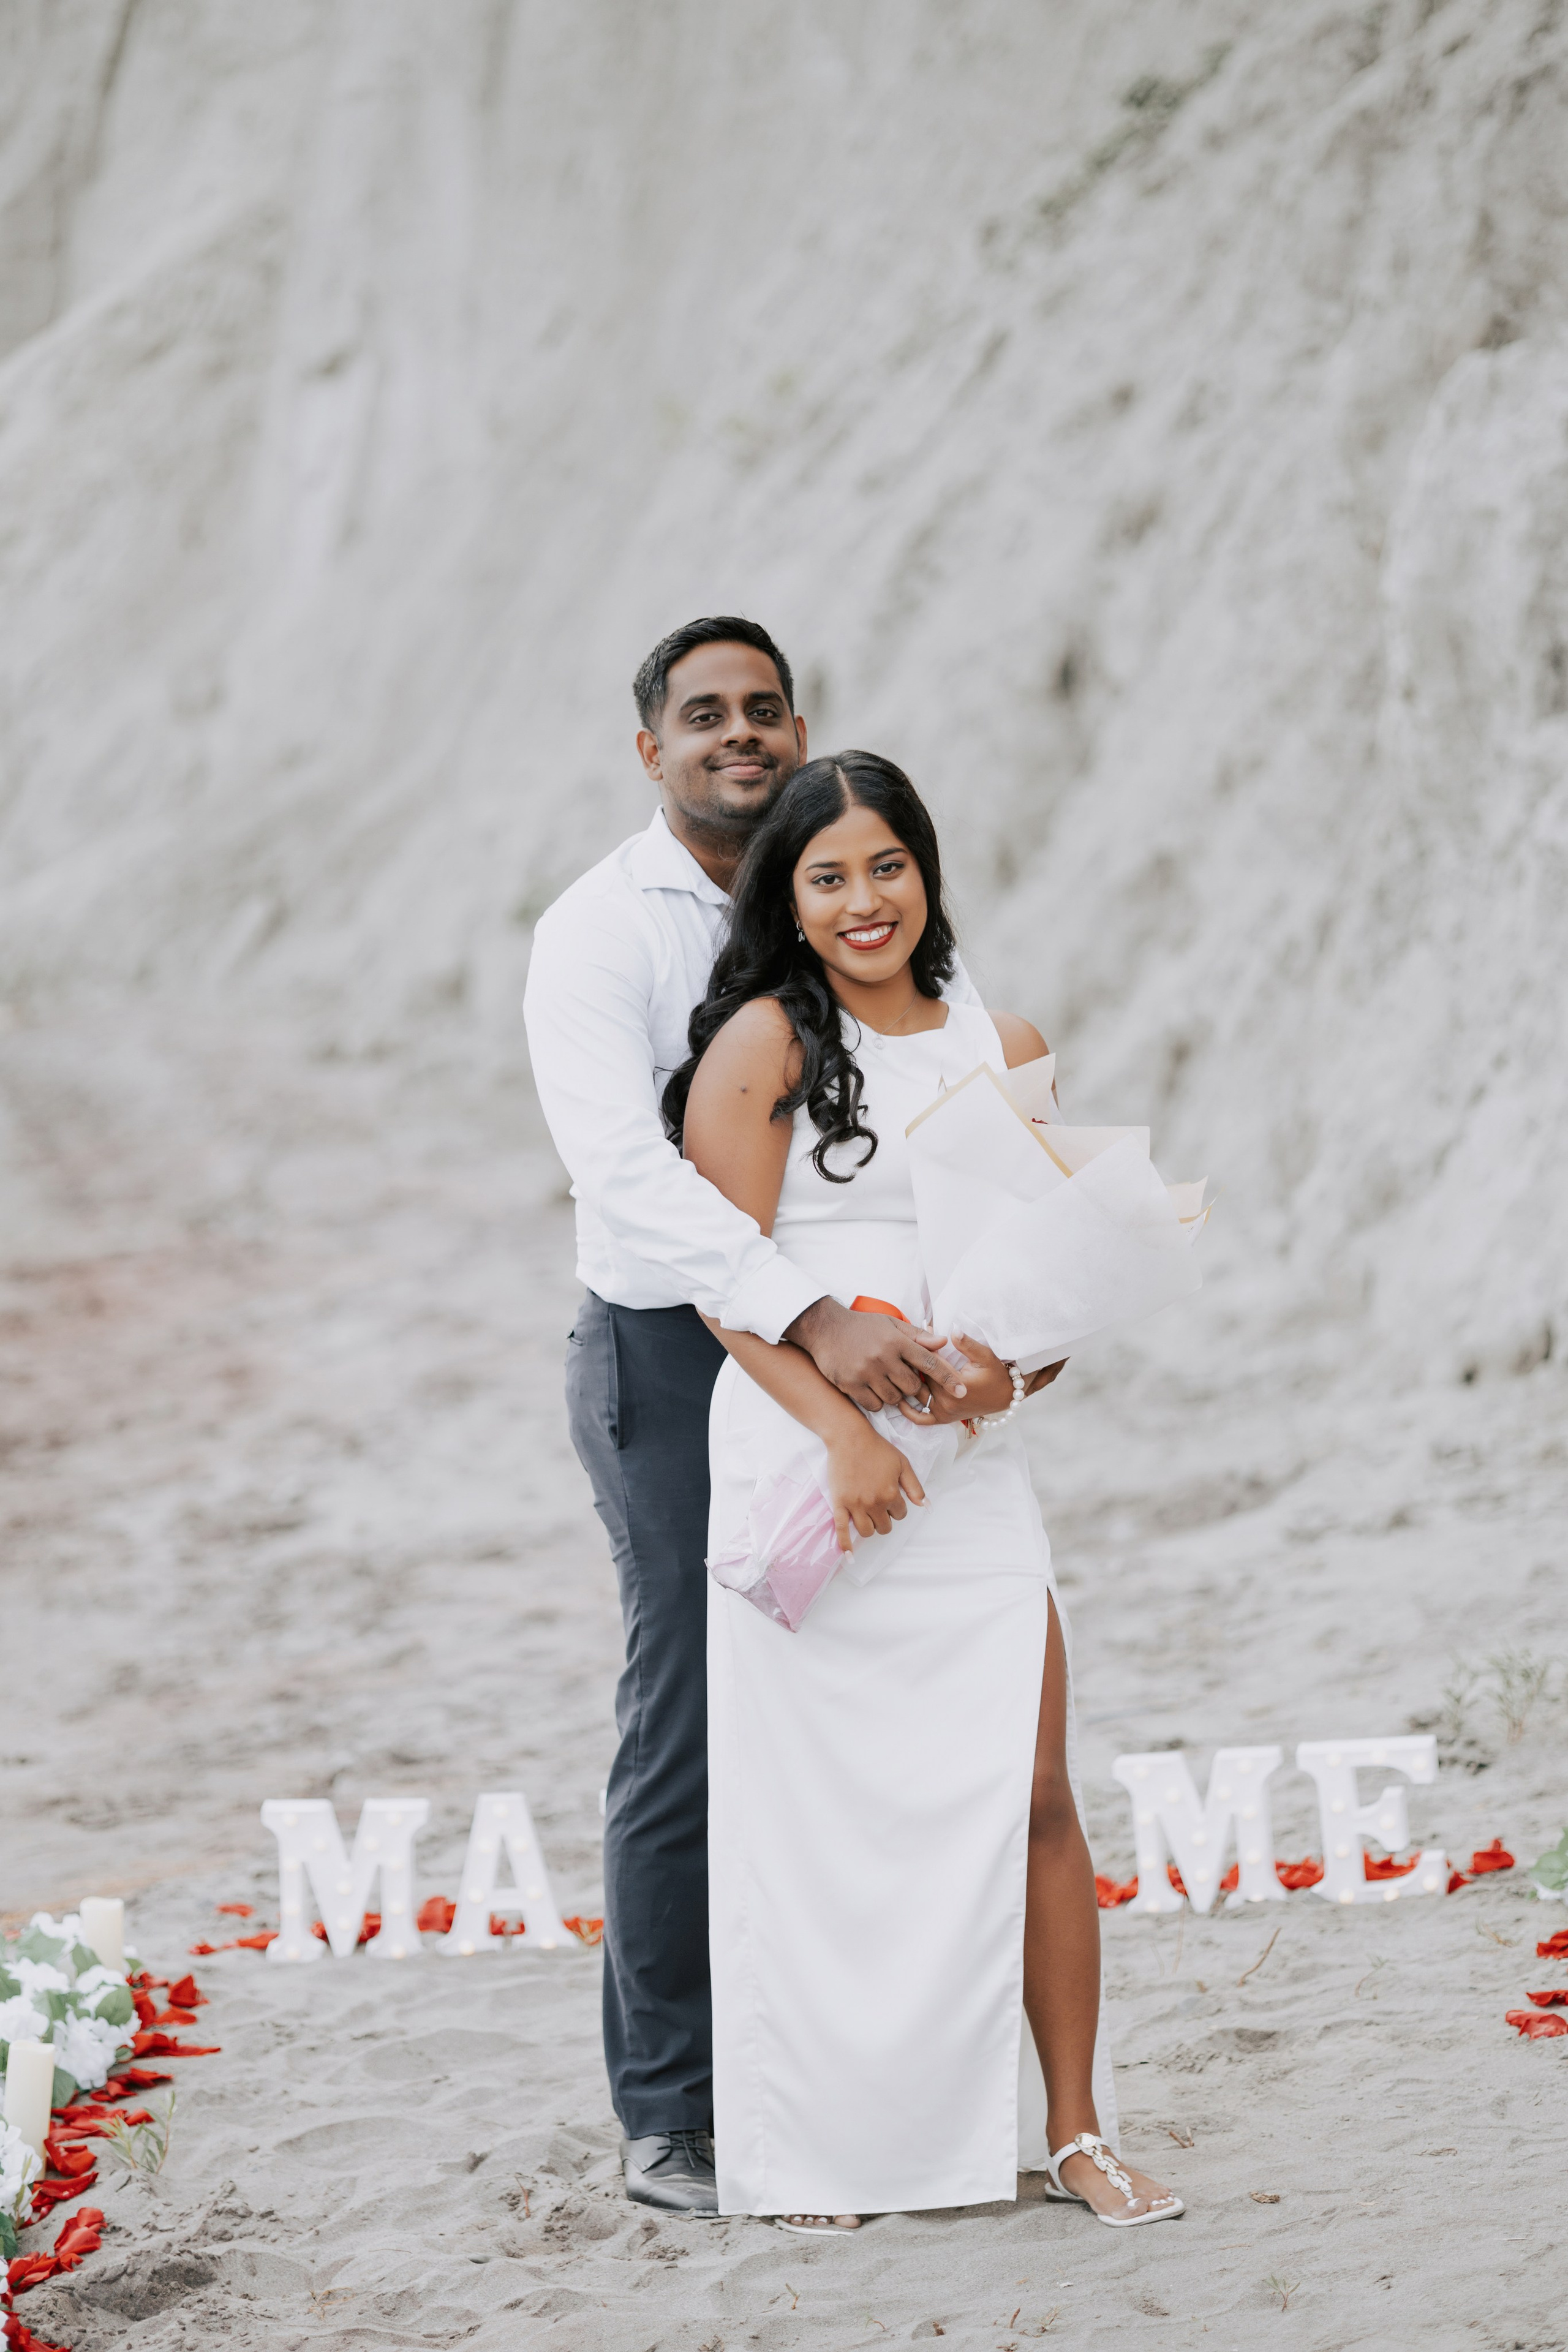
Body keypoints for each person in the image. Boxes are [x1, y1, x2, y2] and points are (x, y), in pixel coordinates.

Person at [664, 750, 1184, 2231]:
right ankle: (822, 2151)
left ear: (927, 871)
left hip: (973, 1472)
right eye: (825, 876)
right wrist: (842, 1435)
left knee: (1029, 1790)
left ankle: (1073, 2133)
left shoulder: (996, 1036)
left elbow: (1051, 1281)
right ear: (788, 898)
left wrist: (1010, 1378)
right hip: (804, 1460)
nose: (861, 899)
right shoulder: (763, 1043)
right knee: (819, 1815)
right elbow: (723, 1283)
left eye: (884, 865)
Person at [523, 620, 976, 2215]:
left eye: (764, 709)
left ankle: (865, 2072)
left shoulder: (843, 889)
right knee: (691, 1714)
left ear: (802, 727)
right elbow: (631, 1178)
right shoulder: (595, 934)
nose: (740, 733)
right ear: (649, 750)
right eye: (703, 715)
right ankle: (668, 2111)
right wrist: (812, 1315)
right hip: (665, 1358)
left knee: (855, 1701)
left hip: (856, 1348)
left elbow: (948, 1087)